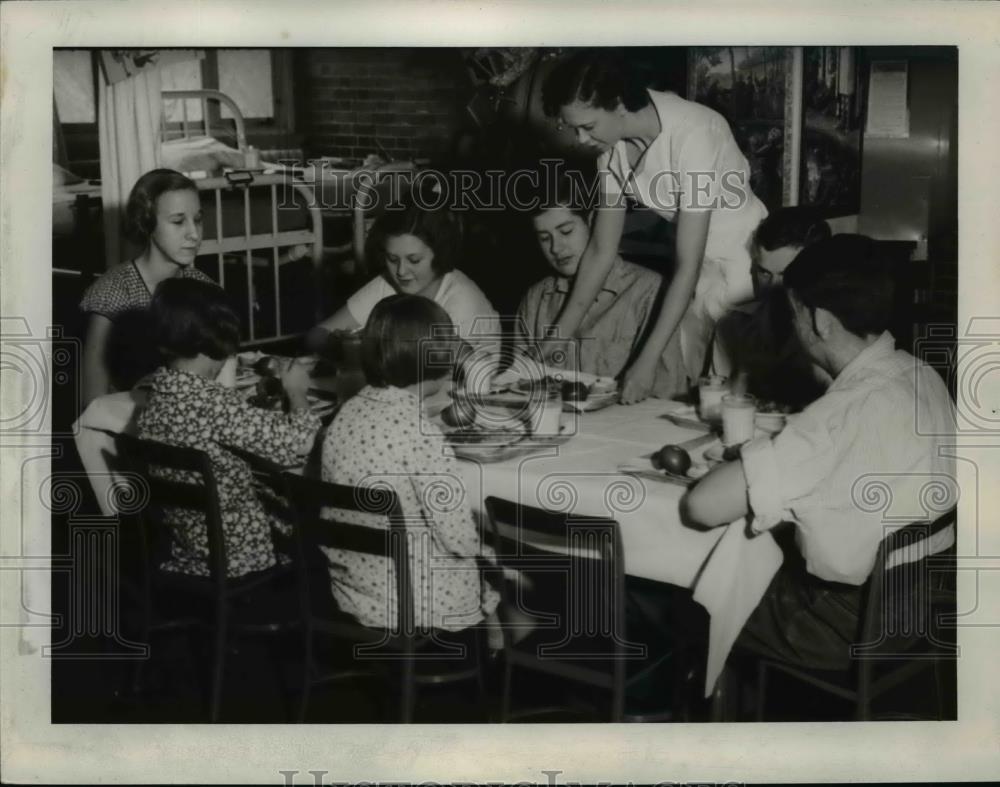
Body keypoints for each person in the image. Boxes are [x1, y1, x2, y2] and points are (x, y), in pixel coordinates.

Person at [681, 235, 956, 670]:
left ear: (822, 320)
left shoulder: (836, 416)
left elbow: (702, 506)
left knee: (683, 597)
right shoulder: (921, 373)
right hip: (916, 606)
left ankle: (664, 710)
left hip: (843, 626)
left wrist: (758, 453)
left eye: (794, 314)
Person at [541, 49, 769, 403]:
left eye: (587, 127)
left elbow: (686, 264)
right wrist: (558, 335)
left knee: (738, 395)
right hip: (699, 270)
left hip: (748, 265)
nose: (581, 140)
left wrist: (645, 363)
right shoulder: (611, 148)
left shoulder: (695, 133)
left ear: (618, 104)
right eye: (574, 129)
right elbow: (602, 250)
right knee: (701, 388)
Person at [321, 294, 499, 633]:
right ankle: (501, 665)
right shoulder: (423, 436)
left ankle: (493, 649)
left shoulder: (346, 414)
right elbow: (458, 539)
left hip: (354, 588)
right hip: (418, 600)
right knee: (510, 578)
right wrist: (491, 553)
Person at [137, 278, 322, 578]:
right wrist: (297, 392)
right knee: (313, 508)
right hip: (241, 553)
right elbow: (300, 444)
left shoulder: (156, 395)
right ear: (217, 337)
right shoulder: (214, 404)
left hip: (187, 547)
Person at [516, 176, 687, 397]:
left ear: (594, 222)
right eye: (544, 238)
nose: (556, 248)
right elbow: (517, 385)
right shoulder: (536, 299)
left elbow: (668, 392)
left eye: (566, 231)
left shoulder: (647, 291)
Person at [80, 168, 216, 408]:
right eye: (178, 221)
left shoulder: (204, 288)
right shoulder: (113, 292)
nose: (194, 234)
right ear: (146, 223)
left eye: (197, 219)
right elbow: (92, 400)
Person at [306, 200, 500, 355]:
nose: (401, 271)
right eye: (392, 259)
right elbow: (316, 335)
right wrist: (346, 346)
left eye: (414, 260)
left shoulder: (461, 300)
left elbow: (434, 377)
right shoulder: (389, 284)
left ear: (441, 254)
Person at [715, 206, 832, 410]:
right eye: (764, 273)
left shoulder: (836, 329)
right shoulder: (735, 323)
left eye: (787, 274)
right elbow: (723, 401)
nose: (774, 288)